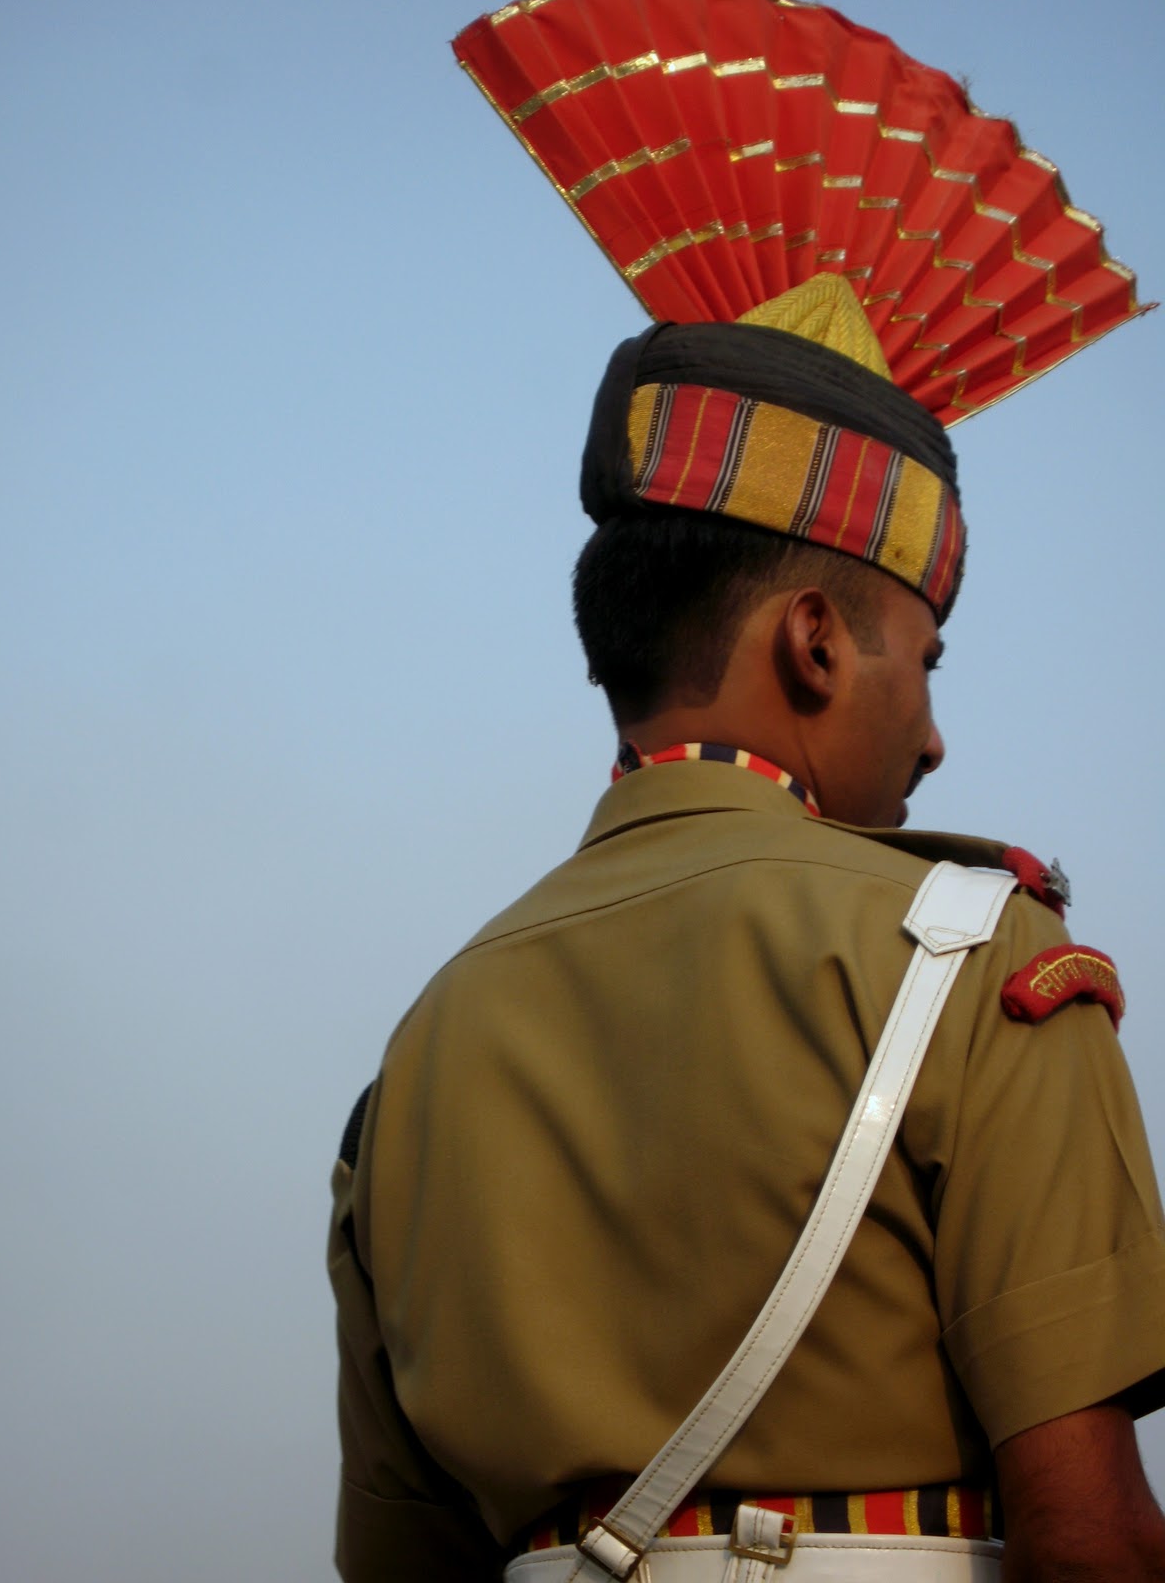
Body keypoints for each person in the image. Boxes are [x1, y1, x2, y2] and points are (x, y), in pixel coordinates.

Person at [328, 299, 1165, 1581]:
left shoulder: (417, 1061)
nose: (934, 737)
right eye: (927, 661)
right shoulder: (972, 958)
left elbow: (399, 1559)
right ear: (815, 643)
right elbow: (1094, 1540)